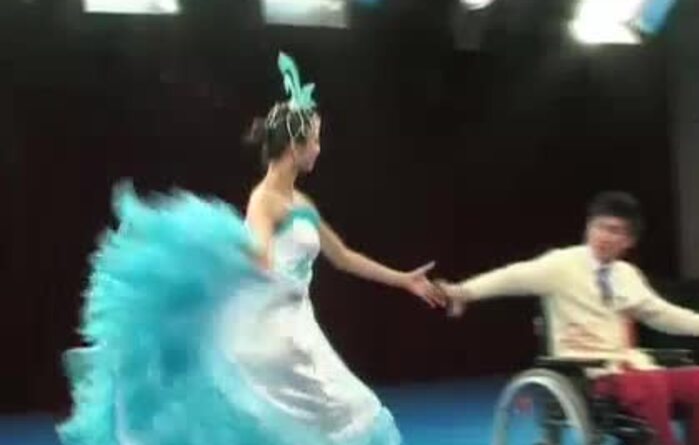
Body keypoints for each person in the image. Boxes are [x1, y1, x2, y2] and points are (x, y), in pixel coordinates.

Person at [58, 52, 443, 445]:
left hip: (299, 327)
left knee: (339, 415)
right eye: (314, 140)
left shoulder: (302, 203)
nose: (319, 149)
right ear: (294, 146)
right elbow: (258, 254)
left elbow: (342, 256)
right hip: (273, 333)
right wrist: (252, 258)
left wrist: (403, 279)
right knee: (334, 415)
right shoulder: (264, 200)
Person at [435, 191, 699, 445]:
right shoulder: (561, 264)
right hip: (585, 372)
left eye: (615, 231)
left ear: (628, 241)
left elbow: (665, 315)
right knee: (647, 383)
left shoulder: (626, 274)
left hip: (627, 369)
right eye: (600, 227)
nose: (605, 235)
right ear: (588, 228)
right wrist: (463, 292)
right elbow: (511, 277)